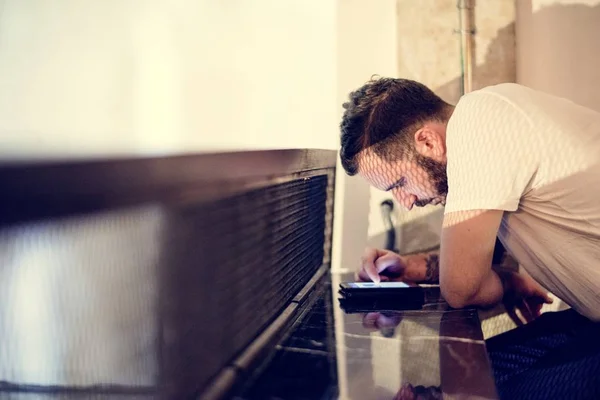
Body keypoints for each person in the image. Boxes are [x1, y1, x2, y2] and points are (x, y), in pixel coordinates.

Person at [339, 77, 600, 399]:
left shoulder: (481, 121)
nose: (406, 201)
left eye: (399, 184)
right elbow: (479, 267)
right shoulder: (491, 121)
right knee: (480, 368)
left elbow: (463, 289)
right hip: (590, 322)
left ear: (428, 142)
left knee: (483, 388)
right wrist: (411, 267)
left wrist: (505, 283)